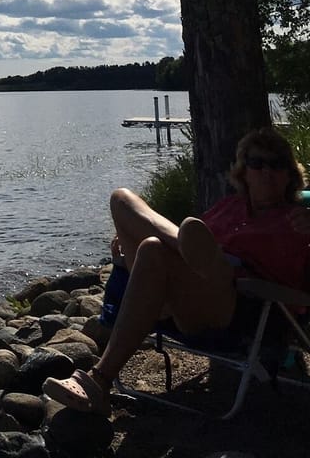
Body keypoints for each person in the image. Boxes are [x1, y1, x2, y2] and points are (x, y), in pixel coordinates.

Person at [43, 126, 310, 415]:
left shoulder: (299, 219)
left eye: (276, 164)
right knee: (122, 200)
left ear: (289, 174)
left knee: (154, 249)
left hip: (241, 307)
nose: (266, 171)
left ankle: (98, 379)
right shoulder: (229, 207)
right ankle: (184, 246)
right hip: (177, 297)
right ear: (244, 172)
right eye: (257, 163)